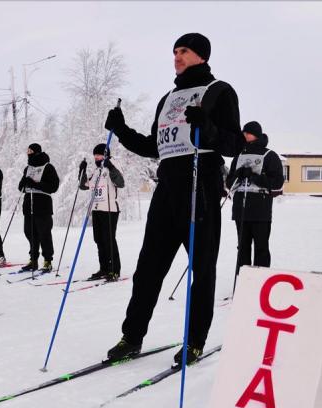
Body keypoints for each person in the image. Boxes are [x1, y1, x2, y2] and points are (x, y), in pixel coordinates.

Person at [103, 33, 241, 365]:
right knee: (148, 268)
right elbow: (155, 146)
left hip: (201, 185)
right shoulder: (168, 98)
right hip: (167, 189)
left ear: (202, 56)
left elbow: (233, 145)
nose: (177, 57)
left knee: (202, 269)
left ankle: (194, 341)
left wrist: (207, 127)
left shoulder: (219, 91)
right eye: (175, 51)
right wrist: (121, 130)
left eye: (185, 51)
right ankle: (131, 337)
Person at [225, 121, 284, 273]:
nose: (245, 135)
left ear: (256, 134)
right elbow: (229, 183)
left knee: (261, 248)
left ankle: (259, 282)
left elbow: (277, 183)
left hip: (261, 210)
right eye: (244, 132)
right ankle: (242, 282)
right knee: (242, 248)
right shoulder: (239, 155)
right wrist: (238, 176)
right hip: (241, 209)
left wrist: (255, 176)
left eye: (248, 132)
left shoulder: (269, 155)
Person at [80, 143, 125, 281]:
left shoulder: (112, 165)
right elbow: (83, 186)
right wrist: (82, 171)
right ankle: (104, 268)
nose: (96, 157)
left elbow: (121, 182)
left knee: (109, 240)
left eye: (98, 155)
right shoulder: (96, 171)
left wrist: (110, 166)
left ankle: (114, 270)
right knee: (99, 239)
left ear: (105, 155)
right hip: (97, 209)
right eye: (95, 155)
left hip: (109, 209)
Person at [18, 143, 60, 273]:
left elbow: (53, 187)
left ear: (37, 152)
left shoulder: (48, 167)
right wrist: (24, 183)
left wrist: (36, 185)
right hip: (28, 205)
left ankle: (47, 261)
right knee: (29, 233)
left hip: (42, 206)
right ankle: (33, 260)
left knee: (44, 234)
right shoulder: (28, 168)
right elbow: (21, 187)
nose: (28, 153)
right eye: (27, 150)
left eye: (30, 150)